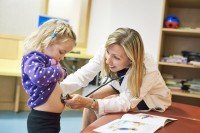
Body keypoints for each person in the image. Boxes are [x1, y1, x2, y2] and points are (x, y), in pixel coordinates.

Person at [60, 28, 171, 129]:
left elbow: (126, 102)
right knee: (92, 97)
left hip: (149, 96)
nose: (108, 61)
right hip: (121, 85)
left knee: (102, 103)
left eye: (116, 58)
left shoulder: (147, 68)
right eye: (108, 53)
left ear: (131, 59)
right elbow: (83, 75)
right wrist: (58, 90)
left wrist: (91, 103)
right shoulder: (110, 49)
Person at [21, 19, 76, 133]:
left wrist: (62, 73)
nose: (63, 57)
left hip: (52, 118)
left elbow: (58, 74)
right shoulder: (34, 57)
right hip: (41, 119)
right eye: (61, 52)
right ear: (48, 41)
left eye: (66, 53)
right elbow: (38, 77)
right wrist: (59, 72)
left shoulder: (49, 59)